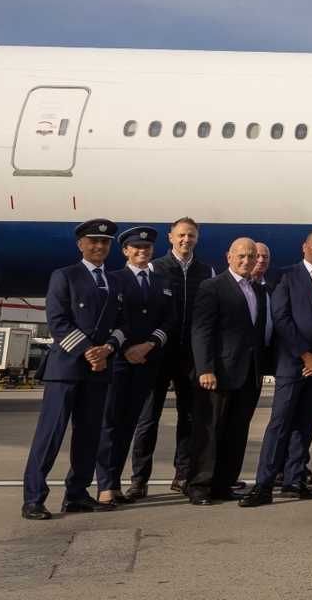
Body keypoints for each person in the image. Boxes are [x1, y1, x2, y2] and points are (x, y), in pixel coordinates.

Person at [21, 220, 127, 520]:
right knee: (50, 435)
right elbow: (57, 320)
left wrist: (108, 348)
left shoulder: (115, 281)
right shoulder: (65, 276)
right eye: (93, 241)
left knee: (89, 435)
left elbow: (122, 325)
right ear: (80, 244)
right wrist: (88, 352)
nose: (99, 247)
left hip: (99, 369)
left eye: (105, 242)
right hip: (66, 368)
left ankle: (77, 494)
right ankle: (33, 497)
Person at [255, 231, 312, 501]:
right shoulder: (285, 276)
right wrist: (306, 355)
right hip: (294, 364)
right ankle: (264, 483)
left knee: (305, 425)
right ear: (304, 247)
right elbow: (281, 318)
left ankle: (295, 480)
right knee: (280, 424)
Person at [131, 217, 214, 500]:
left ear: (197, 238)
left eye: (191, 235)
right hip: (158, 353)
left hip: (190, 356)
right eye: (181, 235)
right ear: (170, 237)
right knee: (147, 418)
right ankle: (139, 479)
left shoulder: (206, 271)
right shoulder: (156, 267)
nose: (186, 240)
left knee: (189, 418)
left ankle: (183, 474)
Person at [94, 226, 176, 506]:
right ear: (126, 251)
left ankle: (116, 482)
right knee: (110, 423)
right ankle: (105, 484)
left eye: (147, 248)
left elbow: (169, 320)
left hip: (147, 360)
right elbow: (111, 318)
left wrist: (149, 345)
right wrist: (127, 348)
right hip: (118, 360)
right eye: (137, 248)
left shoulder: (161, 282)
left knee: (130, 424)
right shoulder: (114, 279)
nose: (143, 252)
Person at [186, 239, 269, 508]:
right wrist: (205, 368)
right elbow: (202, 330)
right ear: (229, 256)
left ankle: (223, 484)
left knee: (236, 432)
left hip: (248, 375)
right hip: (218, 374)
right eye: (242, 256)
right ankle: (199, 486)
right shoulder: (213, 286)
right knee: (209, 431)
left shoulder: (257, 290)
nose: (247, 261)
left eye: (252, 256)